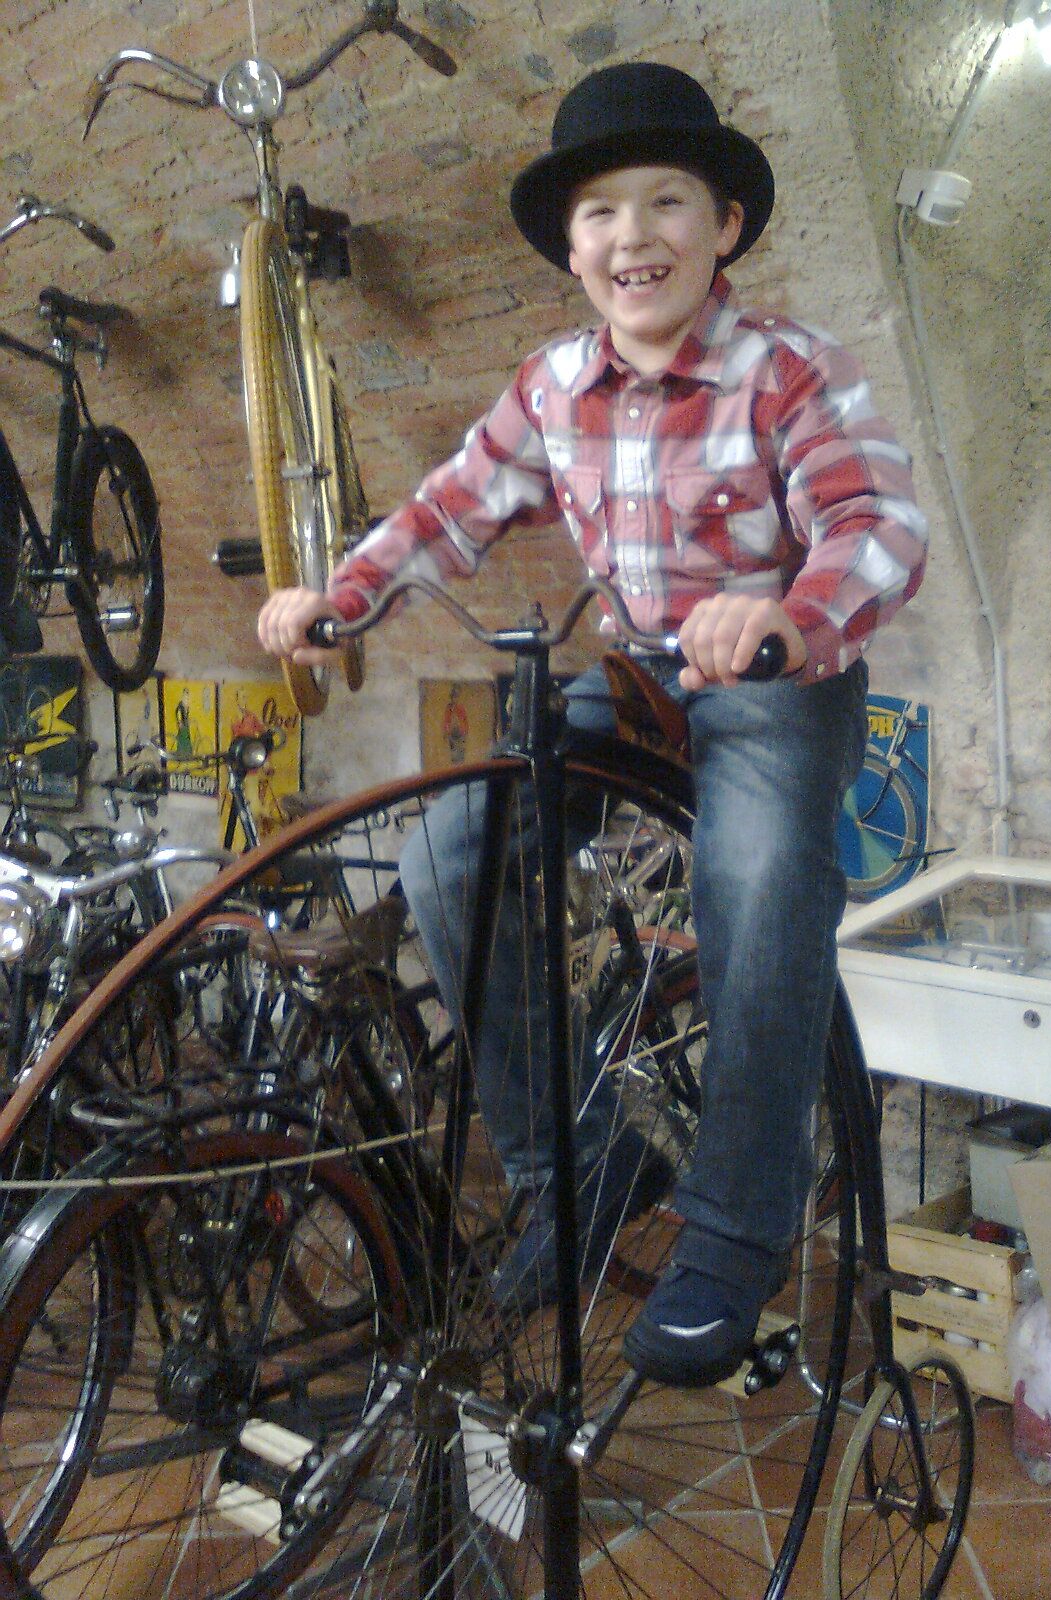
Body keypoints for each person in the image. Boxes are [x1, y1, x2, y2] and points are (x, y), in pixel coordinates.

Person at [257, 61, 927, 1388]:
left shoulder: (789, 370)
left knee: (756, 880)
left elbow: (880, 526)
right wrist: (341, 596)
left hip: (774, 683)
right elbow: (449, 508)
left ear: (723, 225)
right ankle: (581, 1170)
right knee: (452, 852)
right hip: (628, 679)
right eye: (603, 215)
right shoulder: (550, 385)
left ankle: (735, 1228)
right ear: (572, 248)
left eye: (667, 203)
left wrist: (787, 612)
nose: (636, 239)